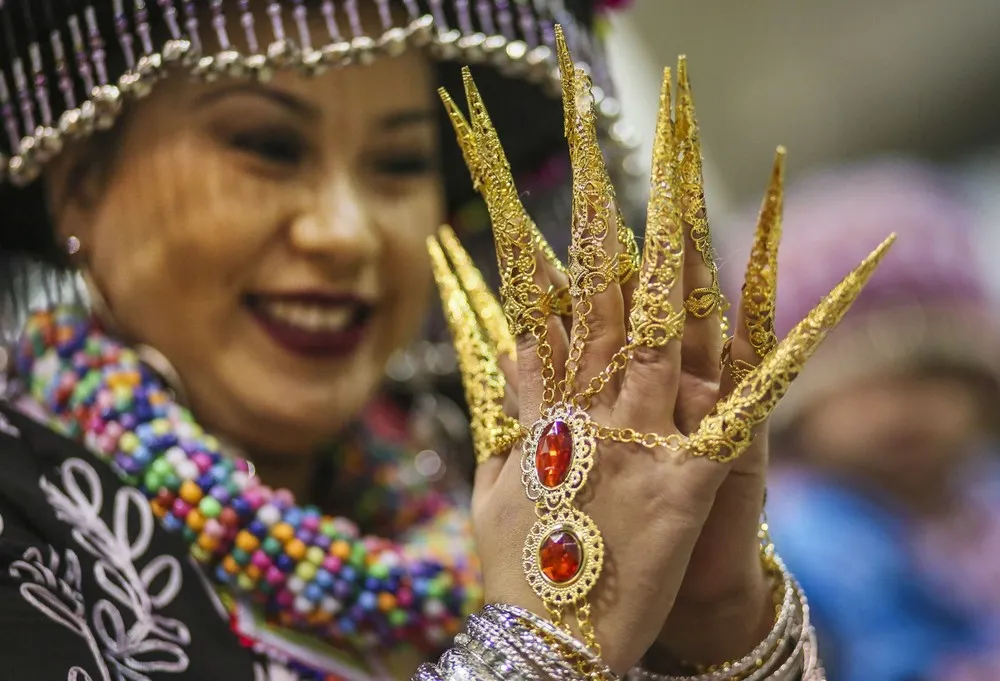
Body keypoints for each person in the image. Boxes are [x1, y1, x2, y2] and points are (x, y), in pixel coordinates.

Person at [0, 1, 872, 678]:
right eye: (267, 146)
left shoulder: (486, 478)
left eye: (400, 166)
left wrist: (716, 623)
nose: (346, 233)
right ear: (77, 180)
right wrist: (533, 646)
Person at [722, 160, 1000, 681]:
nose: (898, 410)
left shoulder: (983, 493)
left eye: (929, 372)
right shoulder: (794, 543)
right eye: (853, 381)